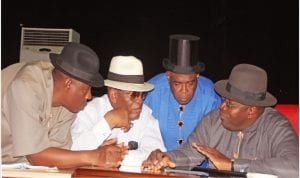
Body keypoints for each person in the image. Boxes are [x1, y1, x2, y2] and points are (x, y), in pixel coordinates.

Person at [142, 64, 299, 178]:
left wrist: (232, 165)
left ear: (251, 109)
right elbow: (190, 153)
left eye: (230, 103)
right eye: (224, 100)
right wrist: (166, 158)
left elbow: (295, 167)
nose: (222, 106)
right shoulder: (213, 120)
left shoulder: (276, 126)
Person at [1, 42, 128, 169]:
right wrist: (95, 156)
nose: (89, 96)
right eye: (86, 90)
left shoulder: (68, 103)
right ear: (68, 84)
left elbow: (56, 153)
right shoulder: (26, 87)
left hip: (19, 167)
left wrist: (97, 152)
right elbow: (36, 156)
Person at [71, 56, 166, 169]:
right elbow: (73, 151)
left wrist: (112, 155)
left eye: (142, 95)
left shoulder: (145, 114)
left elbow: (155, 154)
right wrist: (107, 123)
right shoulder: (90, 111)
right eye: (134, 94)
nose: (140, 101)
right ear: (114, 95)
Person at [144, 34, 221, 151]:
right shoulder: (152, 92)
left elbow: (218, 139)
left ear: (197, 76)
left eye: (190, 83)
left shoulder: (211, 97)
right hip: (158, 163)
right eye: (177, 84)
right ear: (168, 76)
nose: (184, 91)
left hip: (199, 166)